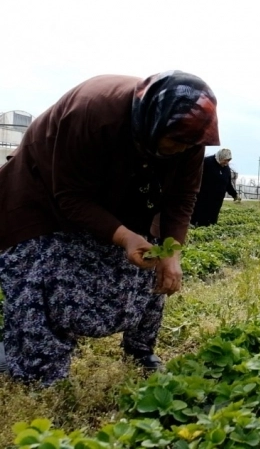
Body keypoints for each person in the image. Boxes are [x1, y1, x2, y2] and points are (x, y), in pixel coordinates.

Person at [0, 70, 220, 385]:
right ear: (152, 120)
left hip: (121, 192)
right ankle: (38, 370)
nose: (182, 149)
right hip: (43, 195)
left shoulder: (187, 136)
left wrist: (173, 253)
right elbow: (71, 197)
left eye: (191, 144)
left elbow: (182, 198)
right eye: (175, 141)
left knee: (151, 263)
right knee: (42, 279)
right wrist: (124, 235)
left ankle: (140, 350)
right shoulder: (93, 112)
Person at [190, 148, 240, 227]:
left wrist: (235, 195)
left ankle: (209, 227)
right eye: (225, 160)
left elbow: (228, 184)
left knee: (212, 218)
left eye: (228, 160)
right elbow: (196, 176)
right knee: (200, 215)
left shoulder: (226, 169)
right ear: (220, 156)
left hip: (217, 200)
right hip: (204, 197)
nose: (226, 163)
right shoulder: (207, 162)